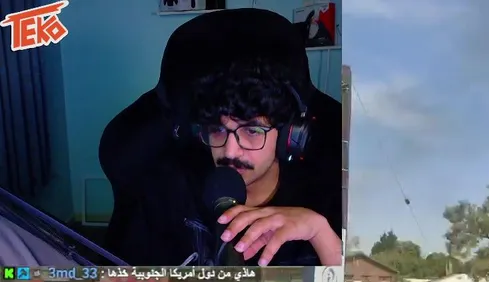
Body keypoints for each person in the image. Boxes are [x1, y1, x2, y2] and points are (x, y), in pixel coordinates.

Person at [106, 58, 342, 267]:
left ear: (286, 138)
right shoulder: (171, 190)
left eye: (252, 131)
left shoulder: (325, 198)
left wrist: (320, 234)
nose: (229, 151)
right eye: (218, 130)